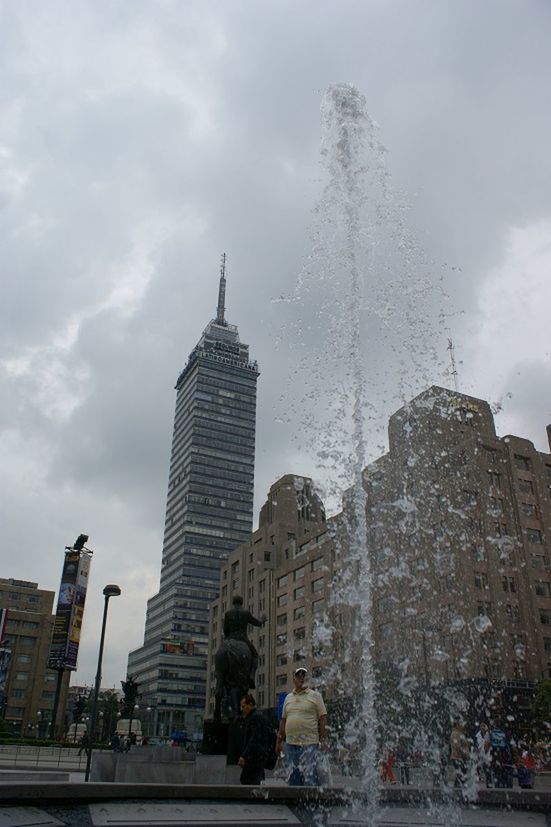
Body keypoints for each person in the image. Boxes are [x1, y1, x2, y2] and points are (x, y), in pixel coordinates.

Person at [276, 667, 328, 786]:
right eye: (298, 676)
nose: (301, 678)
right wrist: (278, 742)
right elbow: (283, 721)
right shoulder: (288, 698)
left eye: (304, 676)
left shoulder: (315, 696)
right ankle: (295, 804)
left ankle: (311, 803)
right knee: (294, 777)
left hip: (310, 744)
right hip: (291, 744)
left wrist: (324, 740)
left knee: (310, 777)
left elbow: (323, 718)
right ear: (293, 679)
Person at [223, 595, 265, 688]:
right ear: (241, 602)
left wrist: (227, 637)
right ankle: (251, 676)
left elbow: (225, 630)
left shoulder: (228, 613)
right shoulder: (246, 612)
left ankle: (220, 676)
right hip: (242, 639)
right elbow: (257, 623)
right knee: (255, 655)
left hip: (230, 639)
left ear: (233, 602)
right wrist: (263, 619)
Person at [238, 693, 270, 785]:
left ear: (251, 704)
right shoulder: (252, 717)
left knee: (249, 780)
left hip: (255, 757)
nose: (242, 709)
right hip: (255, 756)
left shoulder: (256, 717)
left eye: (244, 706)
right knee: (252, 779)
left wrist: (244, 755)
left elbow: (254, 739)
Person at [450, 720, 470, 788]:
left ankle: (458, 789)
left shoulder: (459, 733)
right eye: (461, 724)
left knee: (461, 774)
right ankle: (459, 789)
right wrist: (464, 753)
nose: (462, 726)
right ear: (457, 725)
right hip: (458, 757)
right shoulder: (455, 733)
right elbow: (457, 746)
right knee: (460, 774)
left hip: (460, 757)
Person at [475, 722, 491, 787]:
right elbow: (476, 744)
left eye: (483, 726)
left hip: (487, 754)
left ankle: (488, 783)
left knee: (486, 768)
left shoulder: (488, 734)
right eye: (481, 726)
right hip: (480, 753)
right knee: (478, 766)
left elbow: (489, 743)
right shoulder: (477, 735)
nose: (482, 728)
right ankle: (479, 776)